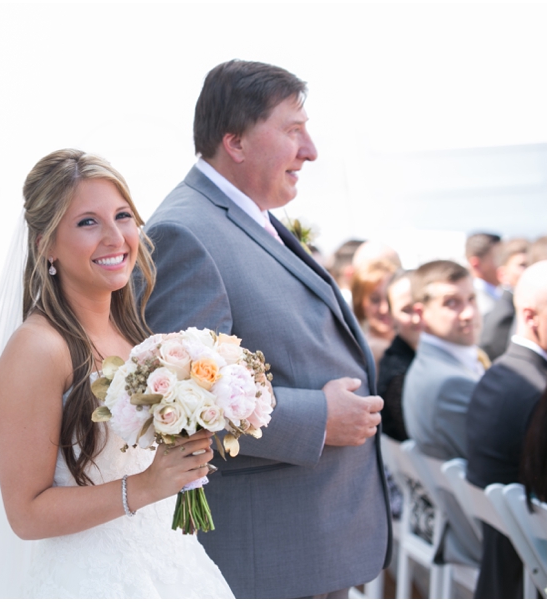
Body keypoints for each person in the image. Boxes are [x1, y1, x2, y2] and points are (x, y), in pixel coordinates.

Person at [0, 149, 233, 598]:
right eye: (88, 222)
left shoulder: (132, 334)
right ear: (45, 244)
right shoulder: (37, 350)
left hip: (170, 564)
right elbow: (25, 514)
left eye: (123, 216)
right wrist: (145, 486)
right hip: (91, 580)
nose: (115, 237)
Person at [142, 59, 391, 599]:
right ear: (235, 141)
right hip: (272, 559)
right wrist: (320, 418)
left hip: (310, 538)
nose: (311, 150)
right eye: (293, 130)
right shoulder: (185, 231)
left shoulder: (246, 215)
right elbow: (187, 407)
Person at [467, 260, 547, 598]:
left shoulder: (498, 373)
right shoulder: (536, 391)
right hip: (528, 569)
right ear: (530, 317)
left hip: (501, 562)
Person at [402, 259, 484, 566]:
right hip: (480, 537)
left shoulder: (433, 366)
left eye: (471, 299)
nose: (469, 313)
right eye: (452, 303)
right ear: (421, 313)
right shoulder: (450, 383)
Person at [376, 269, 421, 442]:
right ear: (391, 316)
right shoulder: (399, 375)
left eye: (420, 306)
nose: (417, 318)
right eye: (406, 310)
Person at [480, 238, 530, 360]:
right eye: (522, 265)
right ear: (502, 274)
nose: (529, 270)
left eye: (532, 263)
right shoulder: (503, 317)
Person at [352, 259, 397, 367]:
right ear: (359, 302)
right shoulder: (371, 350)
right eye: (375, 299)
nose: (384, 308)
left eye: (389, 298)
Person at [465, 232, 502, 317]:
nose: (504, 264)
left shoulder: (497, 294)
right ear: (476, 264)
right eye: (498, 258)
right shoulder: (478, 304)